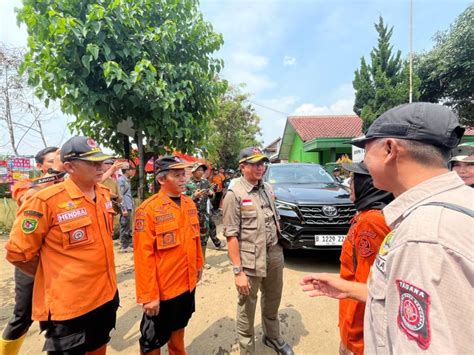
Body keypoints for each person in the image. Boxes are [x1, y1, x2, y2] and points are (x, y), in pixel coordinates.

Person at [301, 103, 474, 353]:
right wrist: (349, 288)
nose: (363, 164)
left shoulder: (423, 237)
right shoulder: (454, 204)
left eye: (366, 150)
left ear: (390, 149)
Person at [5, 136, 119, 354]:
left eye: (101, 161)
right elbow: (18, 253)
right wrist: (49, 273)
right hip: (70, 308)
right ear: (69, 167)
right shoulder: (46, 201)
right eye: (92, 162)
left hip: (105, 297)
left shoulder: (103, 194)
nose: (100, 167)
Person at [223, 147, 293, 355]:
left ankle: (272, 337)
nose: (260, 167)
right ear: (243, 167)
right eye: (255, 163)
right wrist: (238, 272)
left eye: (263, 163)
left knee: (273, 298)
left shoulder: (267, 189)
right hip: (249, 259)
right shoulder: (234, 194)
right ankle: (247, 350)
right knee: (247, 306)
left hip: (274, 253)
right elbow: (231, 236)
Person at [133, 156, 203, 355]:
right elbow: (142, 256)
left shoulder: (189, 204)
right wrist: (149, 296)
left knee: (179, 328)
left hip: (186, 284)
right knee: (152, 341)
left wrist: (198, 265)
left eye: (184, 175)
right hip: (163, 291)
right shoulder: (148, 210)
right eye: (177, 175)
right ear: (161, 179)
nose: (183, 179)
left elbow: (195, 238)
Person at [1, 147, 65, 355]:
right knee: (22, 316)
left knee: (57, 315)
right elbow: (28, 196)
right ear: (39, 166)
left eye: (60, 160)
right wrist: (56, 173)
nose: (59, 164)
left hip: (57, 263)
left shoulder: (67, 186)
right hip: (30, 263)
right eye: (51, 161)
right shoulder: (26, 185)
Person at [337, 161, 393, 355]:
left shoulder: (372, 222)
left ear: (368, 185)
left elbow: (367, 287)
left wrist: (350, 338)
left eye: (354, 180)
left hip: (360, 331)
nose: (349, 184)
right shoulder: (368, 214)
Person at [185, 163, 223, 260]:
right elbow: (182, 199)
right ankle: (192, 259)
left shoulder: (205, 182)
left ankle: (202, 260)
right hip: (191, 215)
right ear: (193, 171)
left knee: (204, 238)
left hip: (204, 214)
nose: (201, 172)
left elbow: (212, 196)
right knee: (192, 237)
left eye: (202, 170)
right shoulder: (188, 184)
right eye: (199, 170)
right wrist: (194, 196)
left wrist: (211, 194)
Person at [118, 163, 136, 252]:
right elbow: (120, 195)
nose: (132, 171)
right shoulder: (121, 180)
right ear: (126, 171)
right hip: (125, 206)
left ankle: (127, 244)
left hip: (128, 205)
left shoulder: (126, 180)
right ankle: (124, 245)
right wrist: (123, 208)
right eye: (130, 169)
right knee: (124, 224)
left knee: (127, 225)